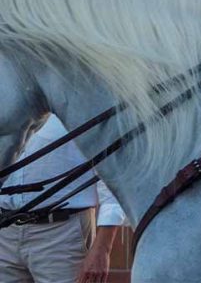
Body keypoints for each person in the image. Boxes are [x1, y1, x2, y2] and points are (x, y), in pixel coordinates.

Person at [0, 115, 126, 283]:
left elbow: (111, 177)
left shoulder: (75, 102)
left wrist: (103, 247)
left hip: (63, 236)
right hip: (4, 236)